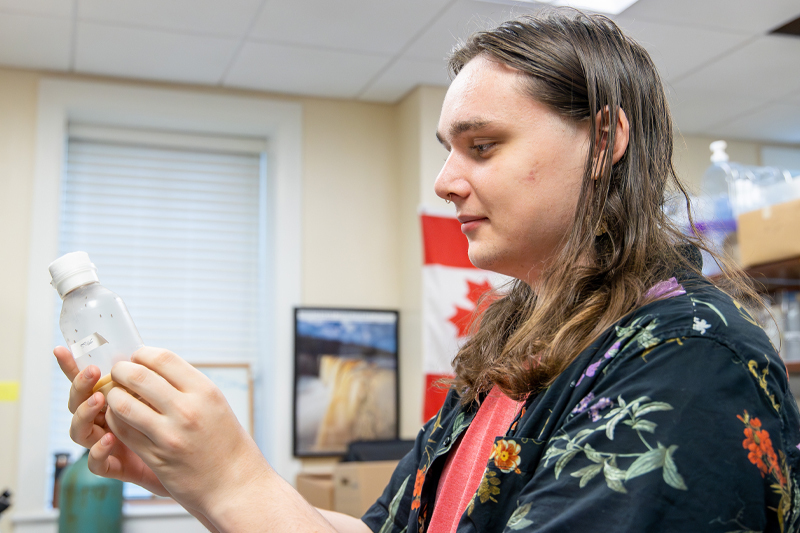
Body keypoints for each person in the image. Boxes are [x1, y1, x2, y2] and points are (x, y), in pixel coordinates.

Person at [55, 8, 800, 533]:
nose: (444, 179)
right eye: (447, 148)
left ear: (603, 138)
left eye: (481, 146)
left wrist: (234, 480)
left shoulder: (689, 359)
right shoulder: (516, 347)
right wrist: (197, 477)